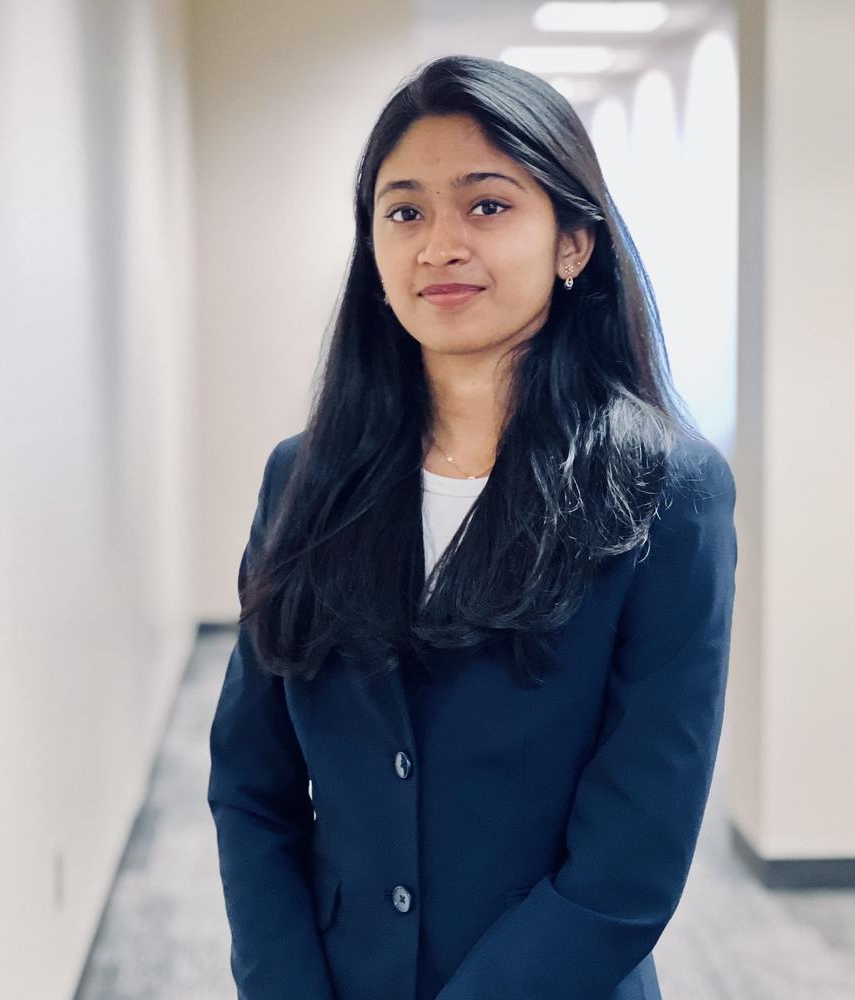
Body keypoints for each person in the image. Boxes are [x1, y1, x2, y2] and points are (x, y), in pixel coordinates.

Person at [207, 53, 738, 1000]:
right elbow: (252, 785)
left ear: (573, 243)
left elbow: (634, 853)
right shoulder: (304, 478)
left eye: (487, 206)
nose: (438, 245)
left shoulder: (669, 490)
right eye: (404, 211)